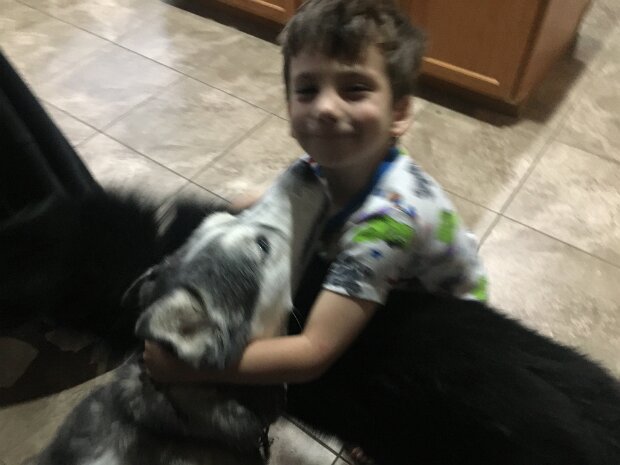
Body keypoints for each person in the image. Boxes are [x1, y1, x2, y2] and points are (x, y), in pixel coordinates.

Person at [144, 0, 487, 431]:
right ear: (290, 111)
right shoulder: (321, 167)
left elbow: (312, 354)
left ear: (399, 113)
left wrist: (192, 367)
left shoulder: (387, 225)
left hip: (436, 322)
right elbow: (266, 198)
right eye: (307, 90)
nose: (325, 107)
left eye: (354, 89)